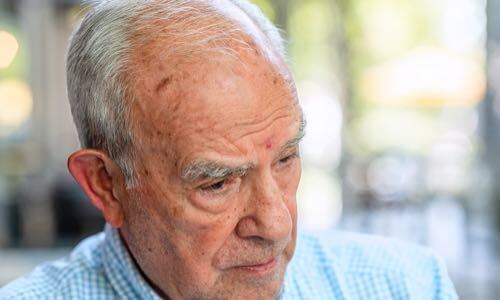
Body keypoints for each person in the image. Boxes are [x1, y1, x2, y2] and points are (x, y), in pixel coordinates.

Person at [0, 0, 458, 299]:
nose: (276, 224)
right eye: (218, 183)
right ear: (106, 187)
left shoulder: (405, 285)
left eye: (286, 159)